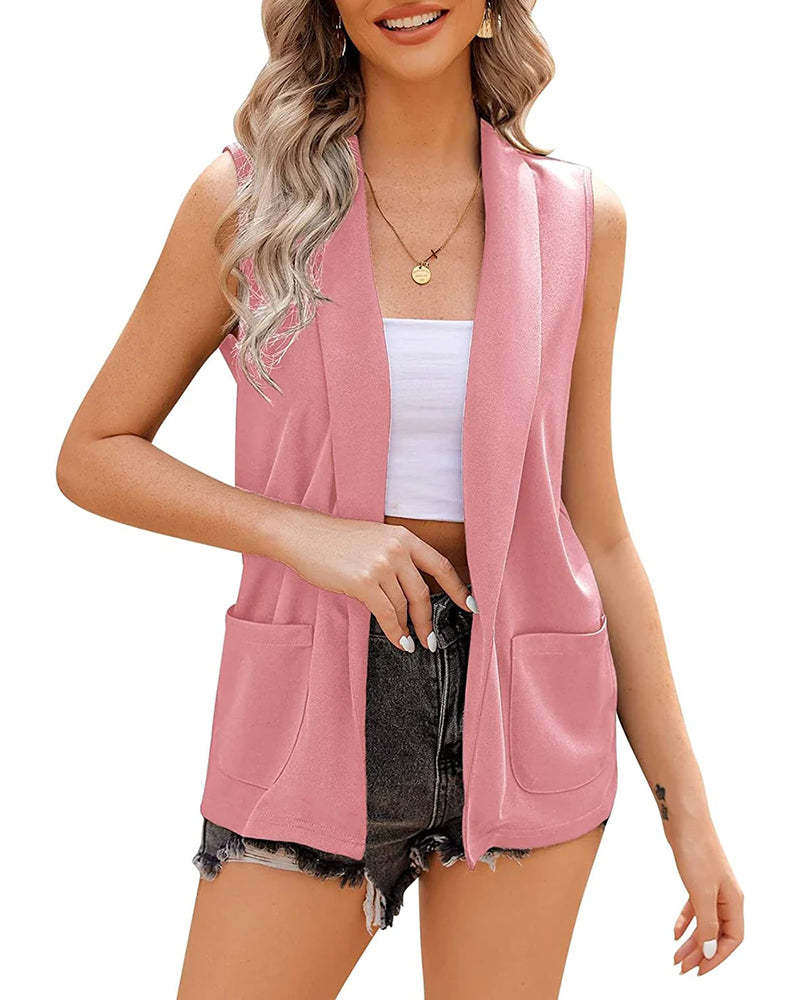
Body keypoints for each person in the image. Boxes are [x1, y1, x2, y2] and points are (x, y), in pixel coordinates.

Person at [56, 1, 744, 996]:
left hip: (527, 719)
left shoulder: (579, 219)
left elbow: (595, 529)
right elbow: (94, 452)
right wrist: (303, 535)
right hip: (306, 718)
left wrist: (690, 821)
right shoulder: (248, 201)